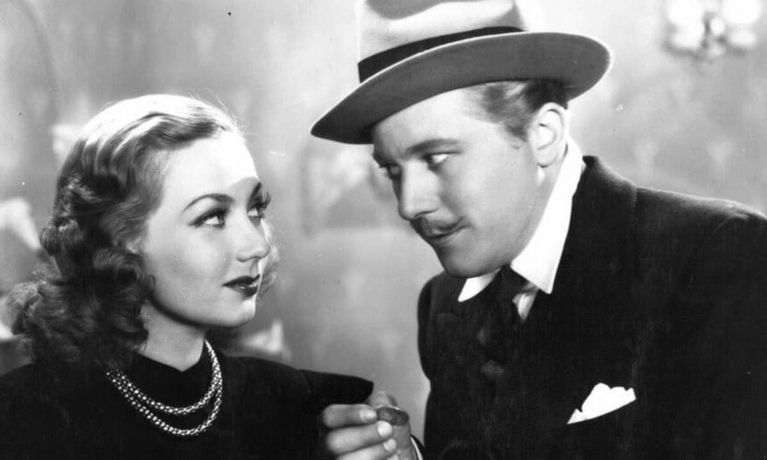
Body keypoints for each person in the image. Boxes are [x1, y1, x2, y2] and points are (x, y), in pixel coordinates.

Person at [312, 0, 767, 459]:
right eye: (392, 170)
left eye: (436, 158)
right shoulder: (442, 305)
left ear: (543, 133)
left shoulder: (719, 256)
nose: (408, 204)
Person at [0, 94, 373, 459]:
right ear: (121, 237)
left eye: (255, 209)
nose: (257, 246)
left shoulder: (303, 406)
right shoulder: (22, 418)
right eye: (213, 216)